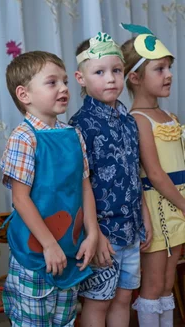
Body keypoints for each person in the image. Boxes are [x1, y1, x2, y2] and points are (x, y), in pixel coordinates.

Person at [0, 50, 98, 326]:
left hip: (70, 249)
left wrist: (92, 233)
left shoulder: (73, 133)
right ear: (24, 95)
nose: (65, 88)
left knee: (65, 321)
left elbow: (85, 187)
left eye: (65, 81)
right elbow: (21, 199)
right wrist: (48, 244)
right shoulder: (24, 138)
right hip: (37, 252)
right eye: (52, 82)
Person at [69, 32, 151, 327]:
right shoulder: (80, 125)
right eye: (100, 72)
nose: (111, 79)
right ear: (81, 77)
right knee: (98, 303)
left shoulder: (129, 121)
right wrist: (95, 234)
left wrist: (145, 219)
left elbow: (134, 172)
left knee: (123, 300)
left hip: (131, 230)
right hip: (102, 234)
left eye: (116, 71)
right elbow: (80, 186)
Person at [122, 23, 184, 327]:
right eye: (159, 69)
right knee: (153, 283)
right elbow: (156, 174)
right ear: (135, 78)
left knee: (168, 280)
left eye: (169, 67)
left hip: (178, 206)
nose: (169, 74)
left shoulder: (169, 117)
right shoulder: (139, 119)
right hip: (160, 207)